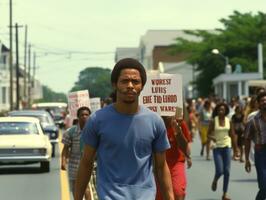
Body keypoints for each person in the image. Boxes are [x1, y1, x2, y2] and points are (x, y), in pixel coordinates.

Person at [74, 58, 174, 200]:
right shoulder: (97, 120)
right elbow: (86, 162)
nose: (130, 86)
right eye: (124, 81)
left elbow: (161, 166)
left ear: (142, 86)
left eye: (135, 82)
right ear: (115, 84)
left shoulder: (155, 121)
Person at [156, 115, 192, 200]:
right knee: (159, 195)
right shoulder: (152, 122)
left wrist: (178, 133)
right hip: (156, 165)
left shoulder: (179, 123)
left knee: (178, 192)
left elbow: (187, 151)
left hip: (175, 163)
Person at [61, 106, 92, 200]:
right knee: (75, 189)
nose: (84, 116)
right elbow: (65, 148)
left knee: (86, 188)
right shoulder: (71, 132)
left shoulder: (93, 131)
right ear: (78, 117)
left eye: (87, 115)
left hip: (89, 165)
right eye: (82, 115)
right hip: (74, 165)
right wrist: (63, 161)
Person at [207, 102, 233, 200]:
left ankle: (225, 193)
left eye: (223, 110)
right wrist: (212, 137)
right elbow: (208, 134)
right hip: (217, 147)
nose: (221, 111)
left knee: (227, 171)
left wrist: (237, 149)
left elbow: (232, 134)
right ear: (217, 111)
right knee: (220, 170)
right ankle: (215, 180)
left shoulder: (228, 121)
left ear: (226, 111)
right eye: (219, 110)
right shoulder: (214, 121)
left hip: (227, 146)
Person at [245, 91, 266, 200]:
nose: (265, 102)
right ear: (258, 103)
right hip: (260, 153)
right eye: (262, 101)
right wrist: (247, 159)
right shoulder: (252, 119)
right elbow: (247, 139)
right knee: (263, 186)